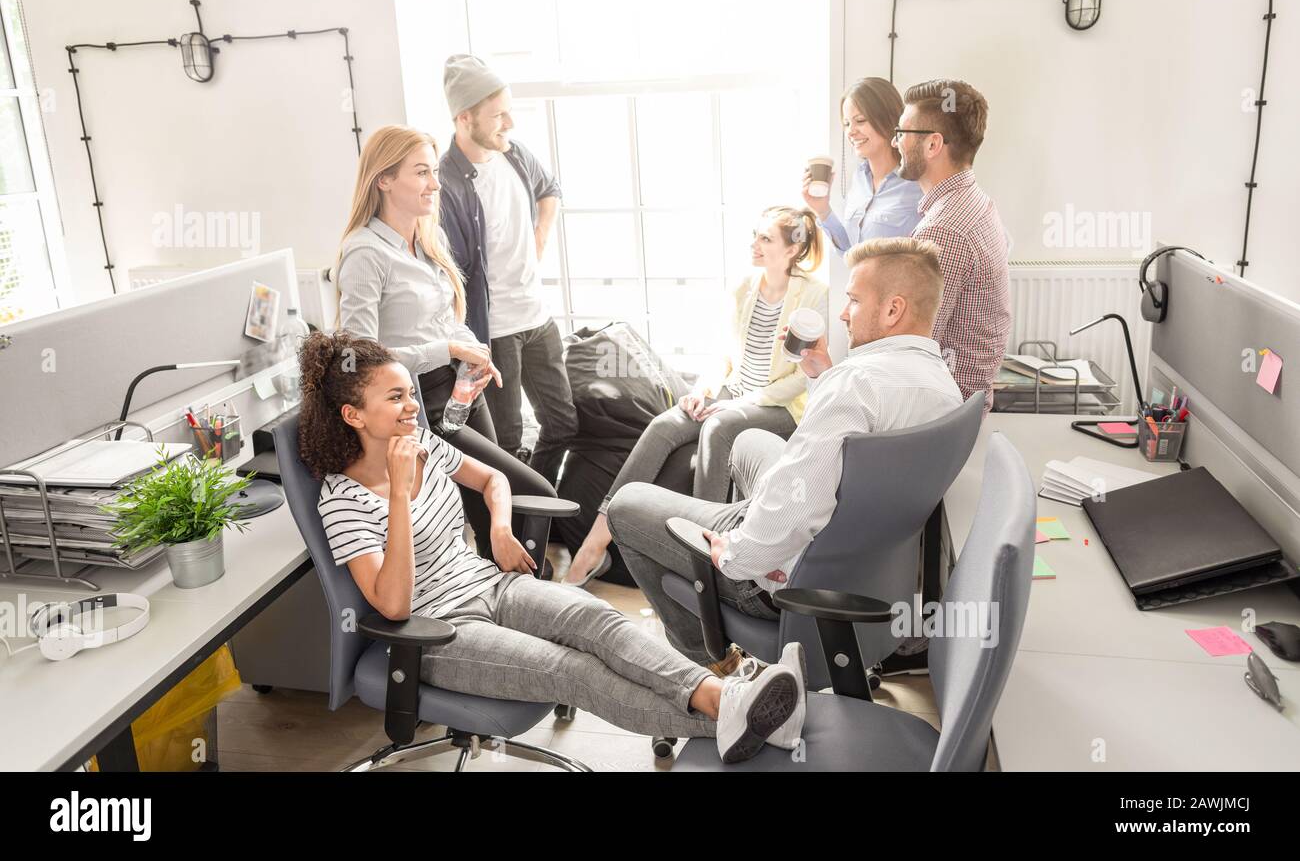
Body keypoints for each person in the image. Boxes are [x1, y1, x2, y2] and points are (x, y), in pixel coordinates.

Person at [299, 330, 806, 762]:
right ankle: (735, 711)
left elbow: (494, 479)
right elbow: (393, 604)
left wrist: (499, 530)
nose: (412, 407)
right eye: (394, 398)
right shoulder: (340, 501)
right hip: (435, 630)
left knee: (595, 619)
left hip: (490, 585)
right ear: (353, 415)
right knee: (571, 669)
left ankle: (735, 704)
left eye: (410, 393)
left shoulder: (423, 444)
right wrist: (400, 495)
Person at [607, 238, 962, 668]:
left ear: (893, 310)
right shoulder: (944, 385)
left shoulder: (856, 384)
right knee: (748, 442)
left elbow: (804, 498)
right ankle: (751, 514)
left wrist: (734, 554)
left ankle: (706, 667)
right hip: (874, 573)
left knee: (625, 506)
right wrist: (820, 376)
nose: (844, 313)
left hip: (792, 578)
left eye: (853, 300)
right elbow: (859, 451)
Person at [562, 207, 829, 590]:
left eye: (766, 238)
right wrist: (702, 390)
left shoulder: (815, 296)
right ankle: (595, 543)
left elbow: (800, 378)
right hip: (733, 391)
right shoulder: (743, 289)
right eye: (755, 235)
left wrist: (738, 404)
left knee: (719, 426)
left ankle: (701, 550)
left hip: (778, 407)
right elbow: (724, 357)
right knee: (664, 424)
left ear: (792, 250)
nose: (754, 244)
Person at [334, 124, 556, 565]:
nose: (435, 183)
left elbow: (446, 319)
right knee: (528, 491)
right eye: (421, 172)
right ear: (384, 179)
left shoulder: (426, 240)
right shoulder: (366, 253)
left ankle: (518, 604)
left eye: (434, 171)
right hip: (420, 401)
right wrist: (449, 352)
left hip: (460, 391)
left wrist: (473, 350)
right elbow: (356, 359)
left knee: (491, 511)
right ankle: (525, 600)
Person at [437, 54, 577, 485]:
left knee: (563, 423)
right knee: (507, 439)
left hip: (537, 317)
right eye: (498, 115)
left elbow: (549, 188)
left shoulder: (514, 155)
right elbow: (452, 272)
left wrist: (540, 234)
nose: (509, 123)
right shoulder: (447, 183)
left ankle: (539, 505)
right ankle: (512, 530)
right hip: (494, 331)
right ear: (465, 118)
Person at [894, 79, 1011, 413]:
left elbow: (914, 343)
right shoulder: (973, 201)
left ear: (933, 145)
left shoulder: (943, 229)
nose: (895, 141)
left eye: (902, 132)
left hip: (939, 411)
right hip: (962, 405)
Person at [802, 77, 922, 254]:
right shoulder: (860, 179)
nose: (851, 131)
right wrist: (823, 209)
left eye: (860, 120)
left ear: (888, 119)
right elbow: (851, 254)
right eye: (846, 123)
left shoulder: (917, 184)